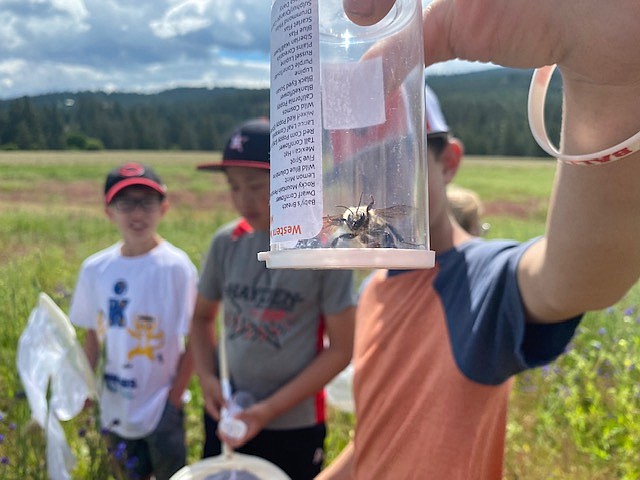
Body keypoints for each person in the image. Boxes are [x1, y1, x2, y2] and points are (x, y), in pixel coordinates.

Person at [318, 1, 640, 478]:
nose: (375, 185)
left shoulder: (478, 285)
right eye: (357, 171)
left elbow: (575, 281)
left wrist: (611, 73)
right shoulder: (373, 293)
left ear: (447, 162)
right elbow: (378, 437)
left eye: (396, 161)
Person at [190, 118, 356, 480]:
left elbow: (343, 349)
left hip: (292, 424)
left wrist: (268, 410)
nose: (243, 200)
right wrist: (207, 379)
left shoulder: (325, 250)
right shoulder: (227, 242)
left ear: (291, 181)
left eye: (255, 186)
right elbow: (201, 318)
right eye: (233, 187)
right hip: (228, 414)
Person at [69, 162, 198, 480]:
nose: (137, 214)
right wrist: (86, 387)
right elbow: (91, 335)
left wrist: (173, 398)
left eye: (147, 202)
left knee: (172, 472)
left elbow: (196, 338)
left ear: (163, 207)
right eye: (126, 203)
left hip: (161, 403)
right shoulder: (96, 269)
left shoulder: (176, 267)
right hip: (114, 403)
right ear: (108, 210)